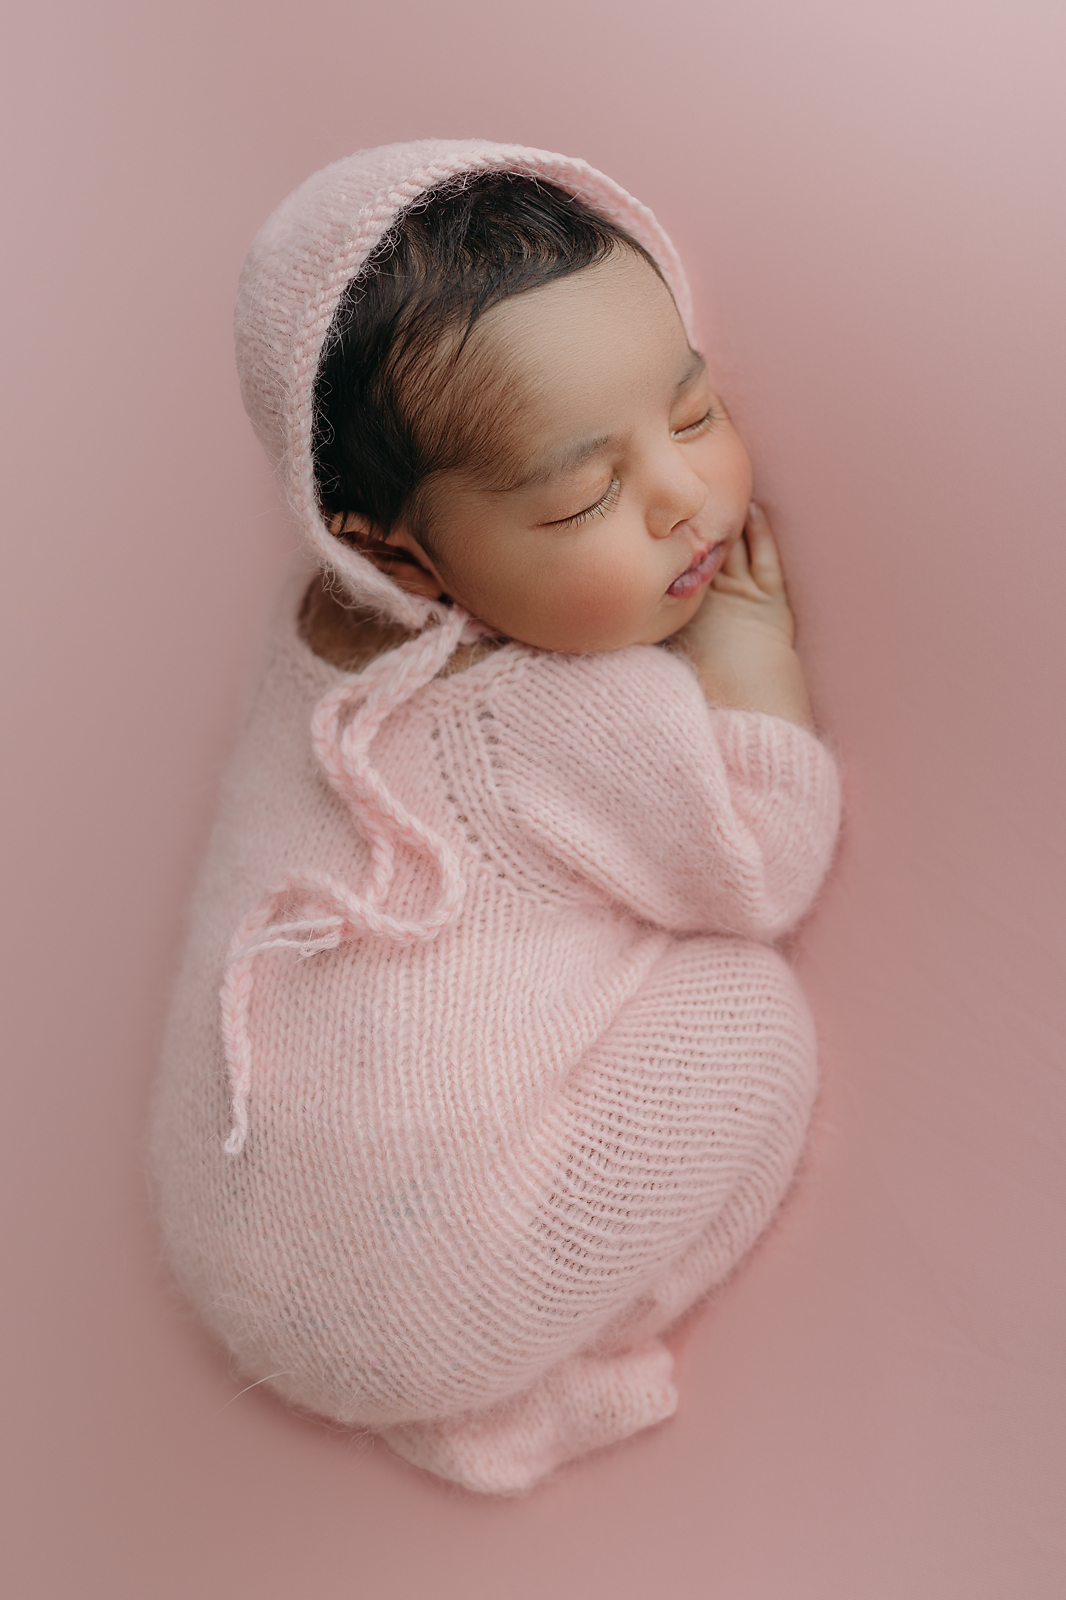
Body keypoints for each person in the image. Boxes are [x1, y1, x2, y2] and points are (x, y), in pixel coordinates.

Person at [152, 140, 841, 1495]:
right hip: (438, 1293)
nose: (677, 499)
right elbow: (757, 871)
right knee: (750, 1013)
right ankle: (533, 1385)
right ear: (398, 550)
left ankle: (447, 1369)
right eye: (582, 496)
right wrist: (752, 666)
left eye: (693, 414)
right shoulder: (557, 714)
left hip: (230, 1245)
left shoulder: (308, 641)